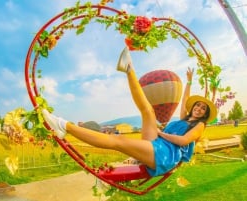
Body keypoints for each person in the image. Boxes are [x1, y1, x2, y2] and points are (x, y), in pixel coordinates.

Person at [42, 47, 217, 176]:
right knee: (148, 110)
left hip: (165, 154)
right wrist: (188, 82)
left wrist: (161, 134)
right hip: (159, 143)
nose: (198, 109)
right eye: (198, 105)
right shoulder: (184, 119)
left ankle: (65, 126)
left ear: (205, 114)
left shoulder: (200, 125)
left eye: (203, 108)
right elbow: (184, 103)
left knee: (118, 140)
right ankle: (128, 68)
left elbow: (184, 140)